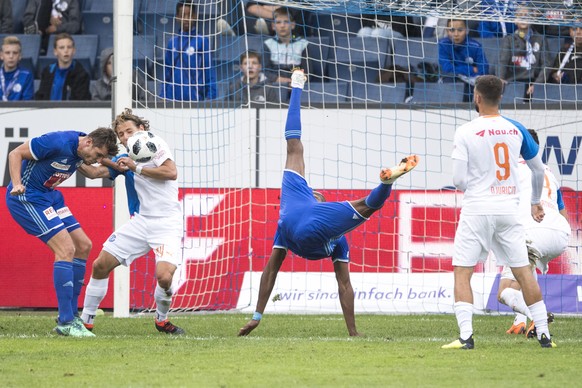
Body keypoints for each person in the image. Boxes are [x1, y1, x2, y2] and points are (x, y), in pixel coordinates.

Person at [238, 69, 419, 337]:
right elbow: (342, 284)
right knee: (366, 205)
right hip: (304, 217)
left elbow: (271, 272)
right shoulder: (320, 215)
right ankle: (387, 182)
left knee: (295, 148)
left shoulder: (310, 219)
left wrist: (257, 315)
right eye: (319, 195)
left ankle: (298, 86)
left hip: (295, 221)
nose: (319, 194)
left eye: (320, 196)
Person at [443, 75, 556, 350]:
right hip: (508, 210)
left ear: (477, 97)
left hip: (477, 210)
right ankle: (544, 334)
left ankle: (466, 337)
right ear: (501, 98)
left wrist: (479, 183)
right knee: (523, 273)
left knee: (463, 271)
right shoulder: (516, 128)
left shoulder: (466, 131)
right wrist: (534, 201)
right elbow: (539, 169)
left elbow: (458, 181)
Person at [79, 108, 185, 335]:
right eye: (121, 135)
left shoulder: (156, 145)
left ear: (142, 130)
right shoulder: (123, 158)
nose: (125, 137)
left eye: (129, 131)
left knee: (164, 277)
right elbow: (95, 173)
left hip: (167, 223)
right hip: (140, 222)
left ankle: (162, 320)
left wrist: (135, 167)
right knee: (100, 265)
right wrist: (73, 156)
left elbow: (171, 172)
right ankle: (85, 321)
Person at [6, 127, 118, 337]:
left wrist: (124, 168)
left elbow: (94, 173)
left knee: (84, 245)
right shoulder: (56, 142)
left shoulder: (82, 151)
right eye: (98, 155)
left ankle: (71, 315)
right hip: (28, 198)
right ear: (89, 142)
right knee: (66, 249)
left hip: (50, 197)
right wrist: (17, 184)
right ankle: (66, 321)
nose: (97, 160)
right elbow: (15, 153)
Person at [498, 129, 570, 337]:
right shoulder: (548, 172)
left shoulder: (512, 169)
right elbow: (562, 213)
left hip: (531, 231)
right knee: (528, 270)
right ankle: (521, 322)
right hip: (560, 234)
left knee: (504, 291)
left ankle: (537, 317)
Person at [160, 0, 217, 101]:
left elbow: (209, 71)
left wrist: (210, 96)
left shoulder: (202, 41)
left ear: (195, 16)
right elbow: (167, 73)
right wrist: (162, 95)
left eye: (189, 15)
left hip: (194, 98)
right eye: (182, 15)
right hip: (171, 99)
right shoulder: (172, 42)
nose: (186, 19)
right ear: (177, 17)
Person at [498, 5, 553, 99]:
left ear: (532, 19)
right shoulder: (508, 40)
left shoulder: (541, 39)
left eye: (526, 15)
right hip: (513, 83)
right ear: (515, 20)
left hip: (534, 82)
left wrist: (538, 84)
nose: (523, 17)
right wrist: (501, 79)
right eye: (520, 15)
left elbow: (546, 64)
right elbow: (502, 62)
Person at [439, 19, 489, 101]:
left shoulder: (475, 46)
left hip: (472, 81)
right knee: (448, 80)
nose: (456, 34)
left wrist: (457, 69)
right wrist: (471, 69)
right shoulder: (443, 44)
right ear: (447, 31)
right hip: (452, 80)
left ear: (466, 30)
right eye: (452, 30)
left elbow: (483, 69)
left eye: (460, 30)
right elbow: (446, 68)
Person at [35, 32, 90, 100]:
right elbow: (41, 97)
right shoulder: (47, 71)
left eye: (69, 47)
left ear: (74, 50)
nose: (66, 51)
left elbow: (80, 102)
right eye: (61, 48)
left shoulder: (82, 75)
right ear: (55, 52)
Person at [262, 7, 309, 85]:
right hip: (274, 83)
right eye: (278, 22)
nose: (282, 26)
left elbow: (308, 71)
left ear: (293, 25)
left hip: (297, 84)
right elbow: (264, 70)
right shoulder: (268, 44)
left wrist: (296, 82)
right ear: (273, 26)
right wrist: (277, 79)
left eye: (286, 22)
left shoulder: (303, 44)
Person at [0, 36, 34, 100]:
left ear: (20, 56)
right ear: (1, 55)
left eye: (15, 53)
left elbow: (28, 103)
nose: (11, 56)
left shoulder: (26, 75)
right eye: (7, 53)